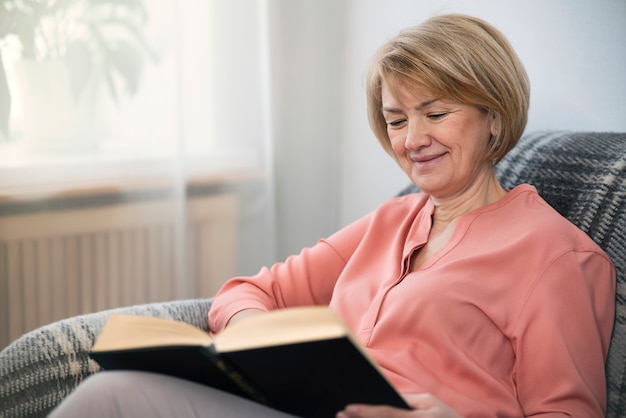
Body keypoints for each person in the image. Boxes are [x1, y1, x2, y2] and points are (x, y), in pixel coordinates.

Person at [48, 13, 615, 418]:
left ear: (493, 117)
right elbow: (246, 291)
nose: (412, 140)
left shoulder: (554, 256)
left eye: (435, 113)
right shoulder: (391, 222)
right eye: (396, 121)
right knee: (114, 392)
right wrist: (256, 341)